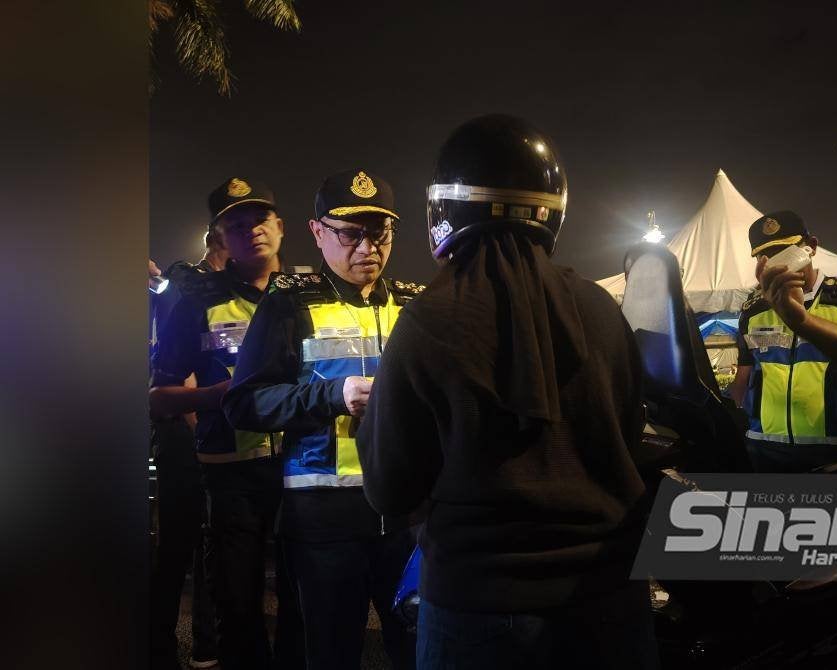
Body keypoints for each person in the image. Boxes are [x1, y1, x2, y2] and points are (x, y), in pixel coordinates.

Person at [355, 115, 659, 670]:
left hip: (478, 608)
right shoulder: (600, 309)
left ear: (446, 209)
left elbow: (389, 489)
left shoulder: (430, 318)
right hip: (609, 598)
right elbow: (631, 432)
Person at [222, 169, 423, 670]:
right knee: (331, 652)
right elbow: (244, 404)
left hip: (405, 517)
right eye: (352, 234)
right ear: (317, 233)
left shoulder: (415, 305)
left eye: (380, 234)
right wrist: (331, 395)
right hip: (324, 519)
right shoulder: (289, 305)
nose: (368, 248)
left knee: (418, 649)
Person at [150, 177, 294, 670]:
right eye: (236, 224)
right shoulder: (196, 304)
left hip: (303, 471)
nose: (250, 231)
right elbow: (158, 397)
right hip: (231, 476)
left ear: (280, 227)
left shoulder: (307, 297)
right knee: (238, 606)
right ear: (220, 236)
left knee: (302, 606)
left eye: (259, 220)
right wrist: (211, 398)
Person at [728, 210, 837, 472]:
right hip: (765, 449)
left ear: (810, 247)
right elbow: (744, 376)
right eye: (767, 256)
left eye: (786, 252)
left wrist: (802, 321)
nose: (777, 263)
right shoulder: (752, 309)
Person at [149, 241, 227, 670]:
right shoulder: (188, 288)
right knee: (183, 542)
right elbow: (184, 365)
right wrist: (200, 425)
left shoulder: (193, 287)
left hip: (193, 431)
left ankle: (201, 643)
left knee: (198, 544)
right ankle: (165, 642)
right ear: (218, 245)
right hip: (185, 433)